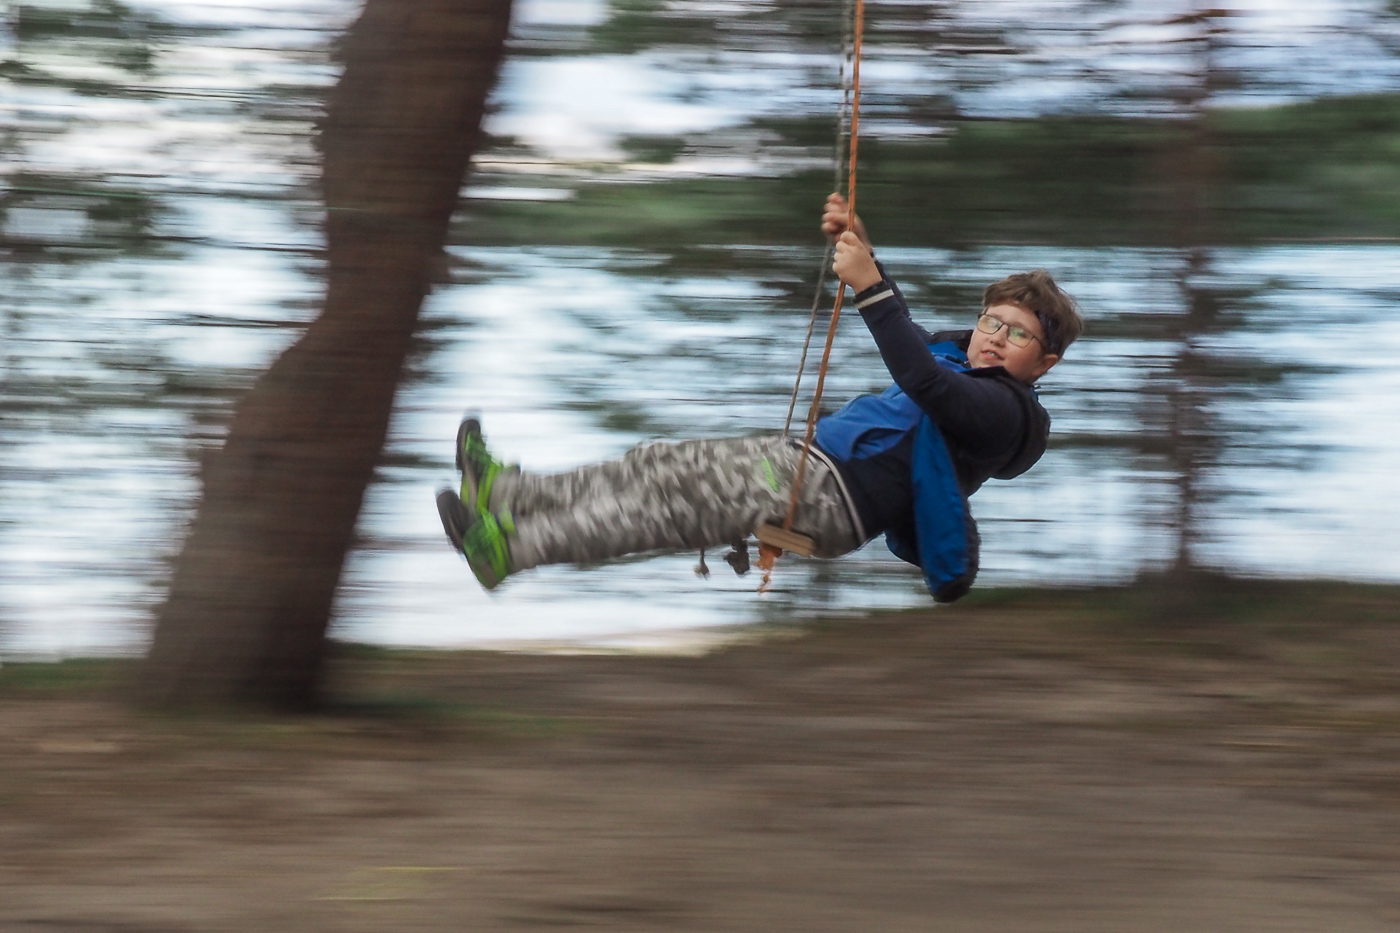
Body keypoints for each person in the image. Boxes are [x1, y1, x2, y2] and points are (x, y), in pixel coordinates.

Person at [437, 193, 1083, 601]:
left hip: (828, 499)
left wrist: (868, 288)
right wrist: (865, 254)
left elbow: (923, 381)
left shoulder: (1005, 414)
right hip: (803, 462)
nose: (995, 338)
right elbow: (911, 339)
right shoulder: (955, 357)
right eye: (992, 323)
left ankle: (510, 549)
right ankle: (509, 496)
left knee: (668, 511)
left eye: (1018, 333)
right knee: (656, 467)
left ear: (1044, 362)